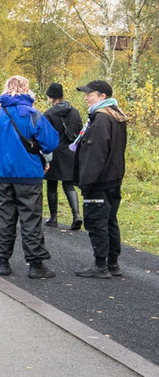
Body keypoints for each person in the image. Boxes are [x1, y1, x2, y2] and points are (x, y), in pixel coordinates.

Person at [0, 75, 59, 278]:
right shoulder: (33, 115)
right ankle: (35, 264)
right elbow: (51, 143)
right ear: (27, 90)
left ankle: (3, 261)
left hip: (1, 174)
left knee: (5, 218)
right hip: (28, 173)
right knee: (30, 219)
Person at [73, 80, 128, 279]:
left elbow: (95, 155)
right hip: (113, 177)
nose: (86, 97)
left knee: (97, 222)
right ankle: (113, 263)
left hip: (98, 181)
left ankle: (100, 265)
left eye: (91, 94)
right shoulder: (116, 115)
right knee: (110, 221)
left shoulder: (101, 119)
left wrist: (86, 183)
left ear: (102, 96)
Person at [42, 83, 83, 230]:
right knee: (68, 184)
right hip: (70, 152)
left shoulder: (48, 114)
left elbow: (44, 135)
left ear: (51, 97)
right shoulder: (75, 112)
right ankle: (76, 215)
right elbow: (80, 131)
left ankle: (53, 218)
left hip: (54, 152)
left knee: (51, 185)